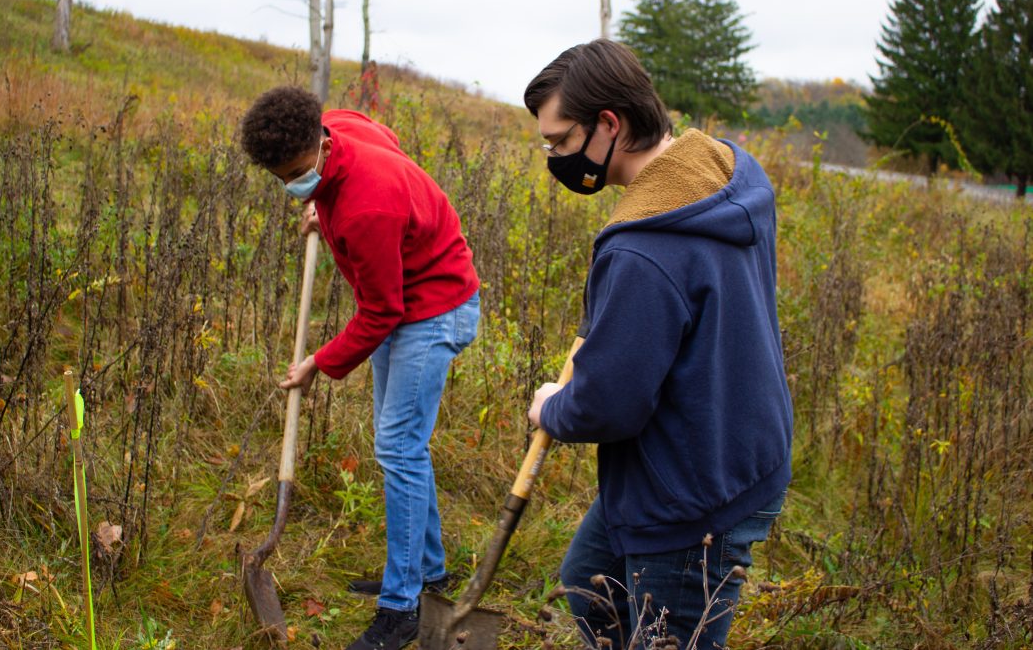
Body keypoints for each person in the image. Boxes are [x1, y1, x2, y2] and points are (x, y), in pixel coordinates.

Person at [523, 39, 792, 649]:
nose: (555, 158)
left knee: (663, 636)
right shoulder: (728, 173)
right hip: (737, 444)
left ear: (609, 124)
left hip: (694, 492)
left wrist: (551, 408)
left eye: (561, 142)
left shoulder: (643, 251)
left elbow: (608, 406)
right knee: (589, 590)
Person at [240, 86, 481, 650]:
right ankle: (428, 571)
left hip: (435, 305)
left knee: (398, 447)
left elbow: (381, 311)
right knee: (400, 445)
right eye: (284, 179)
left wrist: (317, 365)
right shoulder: (342, 127)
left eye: (301, 173)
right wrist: (318, 202)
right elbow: (385, 142)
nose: (293, 184)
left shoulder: (367, 206)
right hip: (406, 296)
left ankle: (400, 607)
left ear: (321, 147)